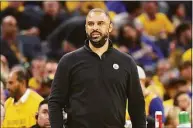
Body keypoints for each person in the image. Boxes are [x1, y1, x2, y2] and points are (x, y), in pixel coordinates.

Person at [48, 8, 146, 128]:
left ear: (110, 27)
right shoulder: (68, 61)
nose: (95, 27)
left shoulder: (126, 62)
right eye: (91, 24)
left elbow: (136, 105)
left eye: (100, 23)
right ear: (86, 28)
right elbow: (55, 102)